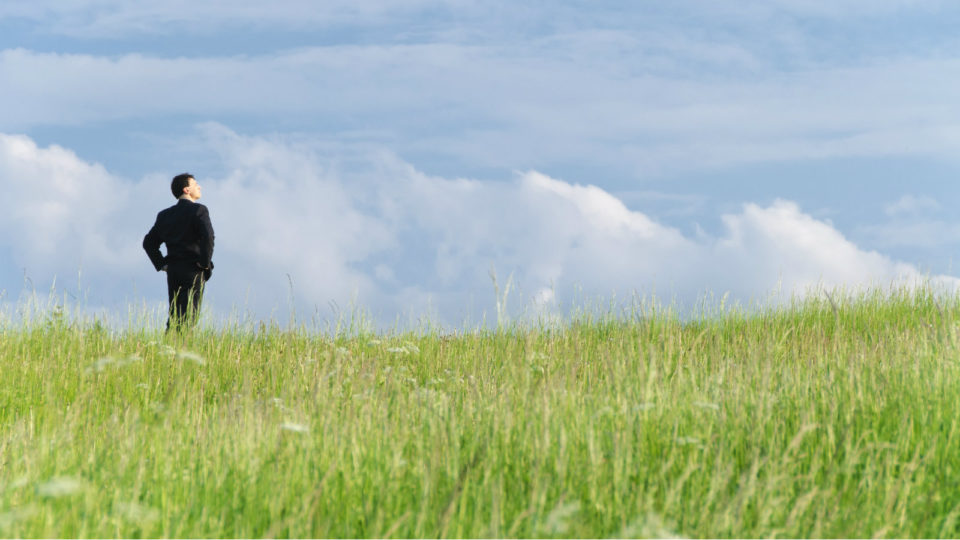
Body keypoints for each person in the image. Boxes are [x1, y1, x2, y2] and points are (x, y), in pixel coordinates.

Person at [143, 173, 215, 332]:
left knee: (175, 314)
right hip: (193, 269)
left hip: (173, 271)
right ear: (186, 189)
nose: (199, 186)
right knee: (190, 315)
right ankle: (182, 351)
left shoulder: (165, 215)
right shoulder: (199, 210)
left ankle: (168, 349)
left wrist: (162, 264)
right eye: (196, 184)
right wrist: (204, 263)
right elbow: (208, 237)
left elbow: (148, 243)